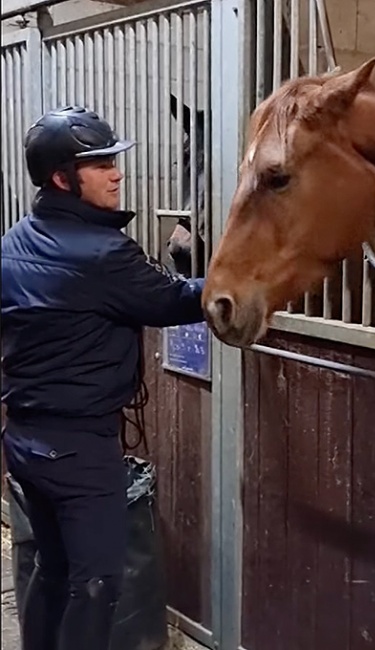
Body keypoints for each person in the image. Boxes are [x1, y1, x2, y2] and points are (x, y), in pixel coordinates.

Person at [1, 106, 205, 650]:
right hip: (79, 450)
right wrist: (254, 274)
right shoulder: (104, 254)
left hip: (24, 440)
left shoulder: (16, 239)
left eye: (113, 160)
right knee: (96, 585)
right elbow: (175, 299)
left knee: (53, 567)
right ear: (63, 178)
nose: (116, 172)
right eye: (99, 164)